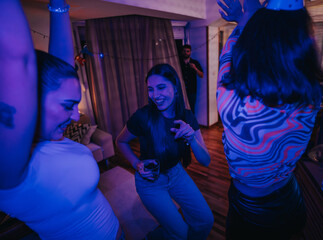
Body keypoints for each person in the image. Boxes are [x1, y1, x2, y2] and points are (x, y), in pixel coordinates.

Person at [0, 0, 123, 239]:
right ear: (31, 98)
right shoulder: (10, 166)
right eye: (68, 106)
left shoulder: (50, 137)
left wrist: (59, 6)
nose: (76, 116)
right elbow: (16, 60)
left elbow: (61, 69)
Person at [216, 0, 323, 239]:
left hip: (252, 213)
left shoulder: (232, 102)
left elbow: (231, 55)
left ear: (257, 44)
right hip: (291, 199)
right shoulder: (313, 94)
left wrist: (247, 17)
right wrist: (251, 16)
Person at [116, 63, 214, 240]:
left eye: (161, 87)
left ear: (175, 88)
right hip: (150, 182)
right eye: (150, 89)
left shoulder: (187, 116)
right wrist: (136, 163)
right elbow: (120, 141)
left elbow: (205, 161)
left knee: (206, 220)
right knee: (180, 233)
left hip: (177, 173)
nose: (155, 95)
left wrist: (192, 139)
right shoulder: (143, 116)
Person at [180, 44, 204, 114]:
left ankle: (191, 124)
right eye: (184, 51)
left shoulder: (195, 62)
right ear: (182, 52)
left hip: (192, 91)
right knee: (182, 108)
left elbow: (201, 75)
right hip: (181, 90)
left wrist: (195, 68)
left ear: (190, 52)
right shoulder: (179, 62)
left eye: (187, 51)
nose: (186, 53)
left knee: (191, 109)